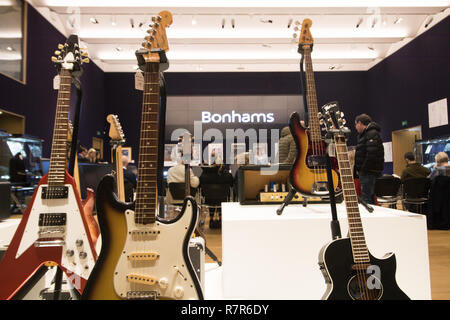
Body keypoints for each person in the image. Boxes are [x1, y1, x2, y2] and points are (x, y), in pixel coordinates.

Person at [354, 113, 384, 205]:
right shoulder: (368, 134)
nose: (356, 127)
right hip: (368, 171)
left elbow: (371, 154)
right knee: (369, 196)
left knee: (367, 197)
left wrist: (363, 169)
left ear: (359, 123)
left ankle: (369, 217)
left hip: (368, 172)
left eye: (355, 124)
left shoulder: (370, 134)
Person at [200, 163, 234, 229]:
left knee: (211, 199)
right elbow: (232, 184)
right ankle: (221, 218)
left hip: (209, 198)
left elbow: (200, 184)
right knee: (221, 199)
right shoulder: (227, 174)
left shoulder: (204, 174)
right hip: (223, 198)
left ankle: (211, 218)